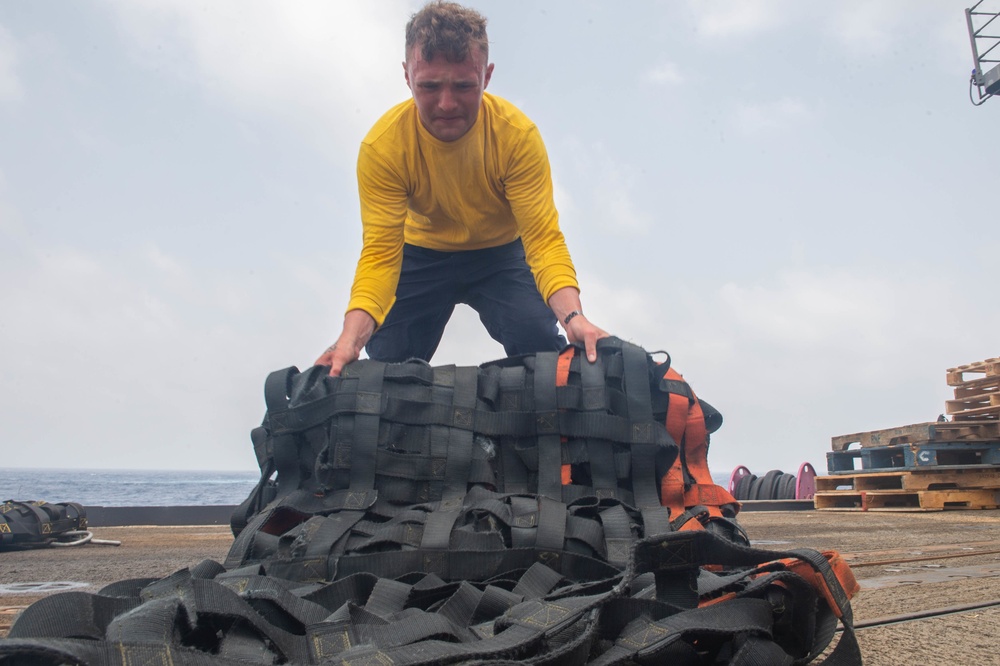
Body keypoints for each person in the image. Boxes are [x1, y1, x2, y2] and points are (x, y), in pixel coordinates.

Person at [316, 1, 608, 377]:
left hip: (500, 254)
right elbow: (380, 256)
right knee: (386, 359)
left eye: (464, 86)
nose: (447, 103)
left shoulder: (516, 138)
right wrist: (349, 340)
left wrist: (573, 318)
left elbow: (543, 241)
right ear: (407, 76)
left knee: (537, 338)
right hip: (421, 254)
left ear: (486, 76)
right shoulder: (384, 147)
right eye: (430, 86)